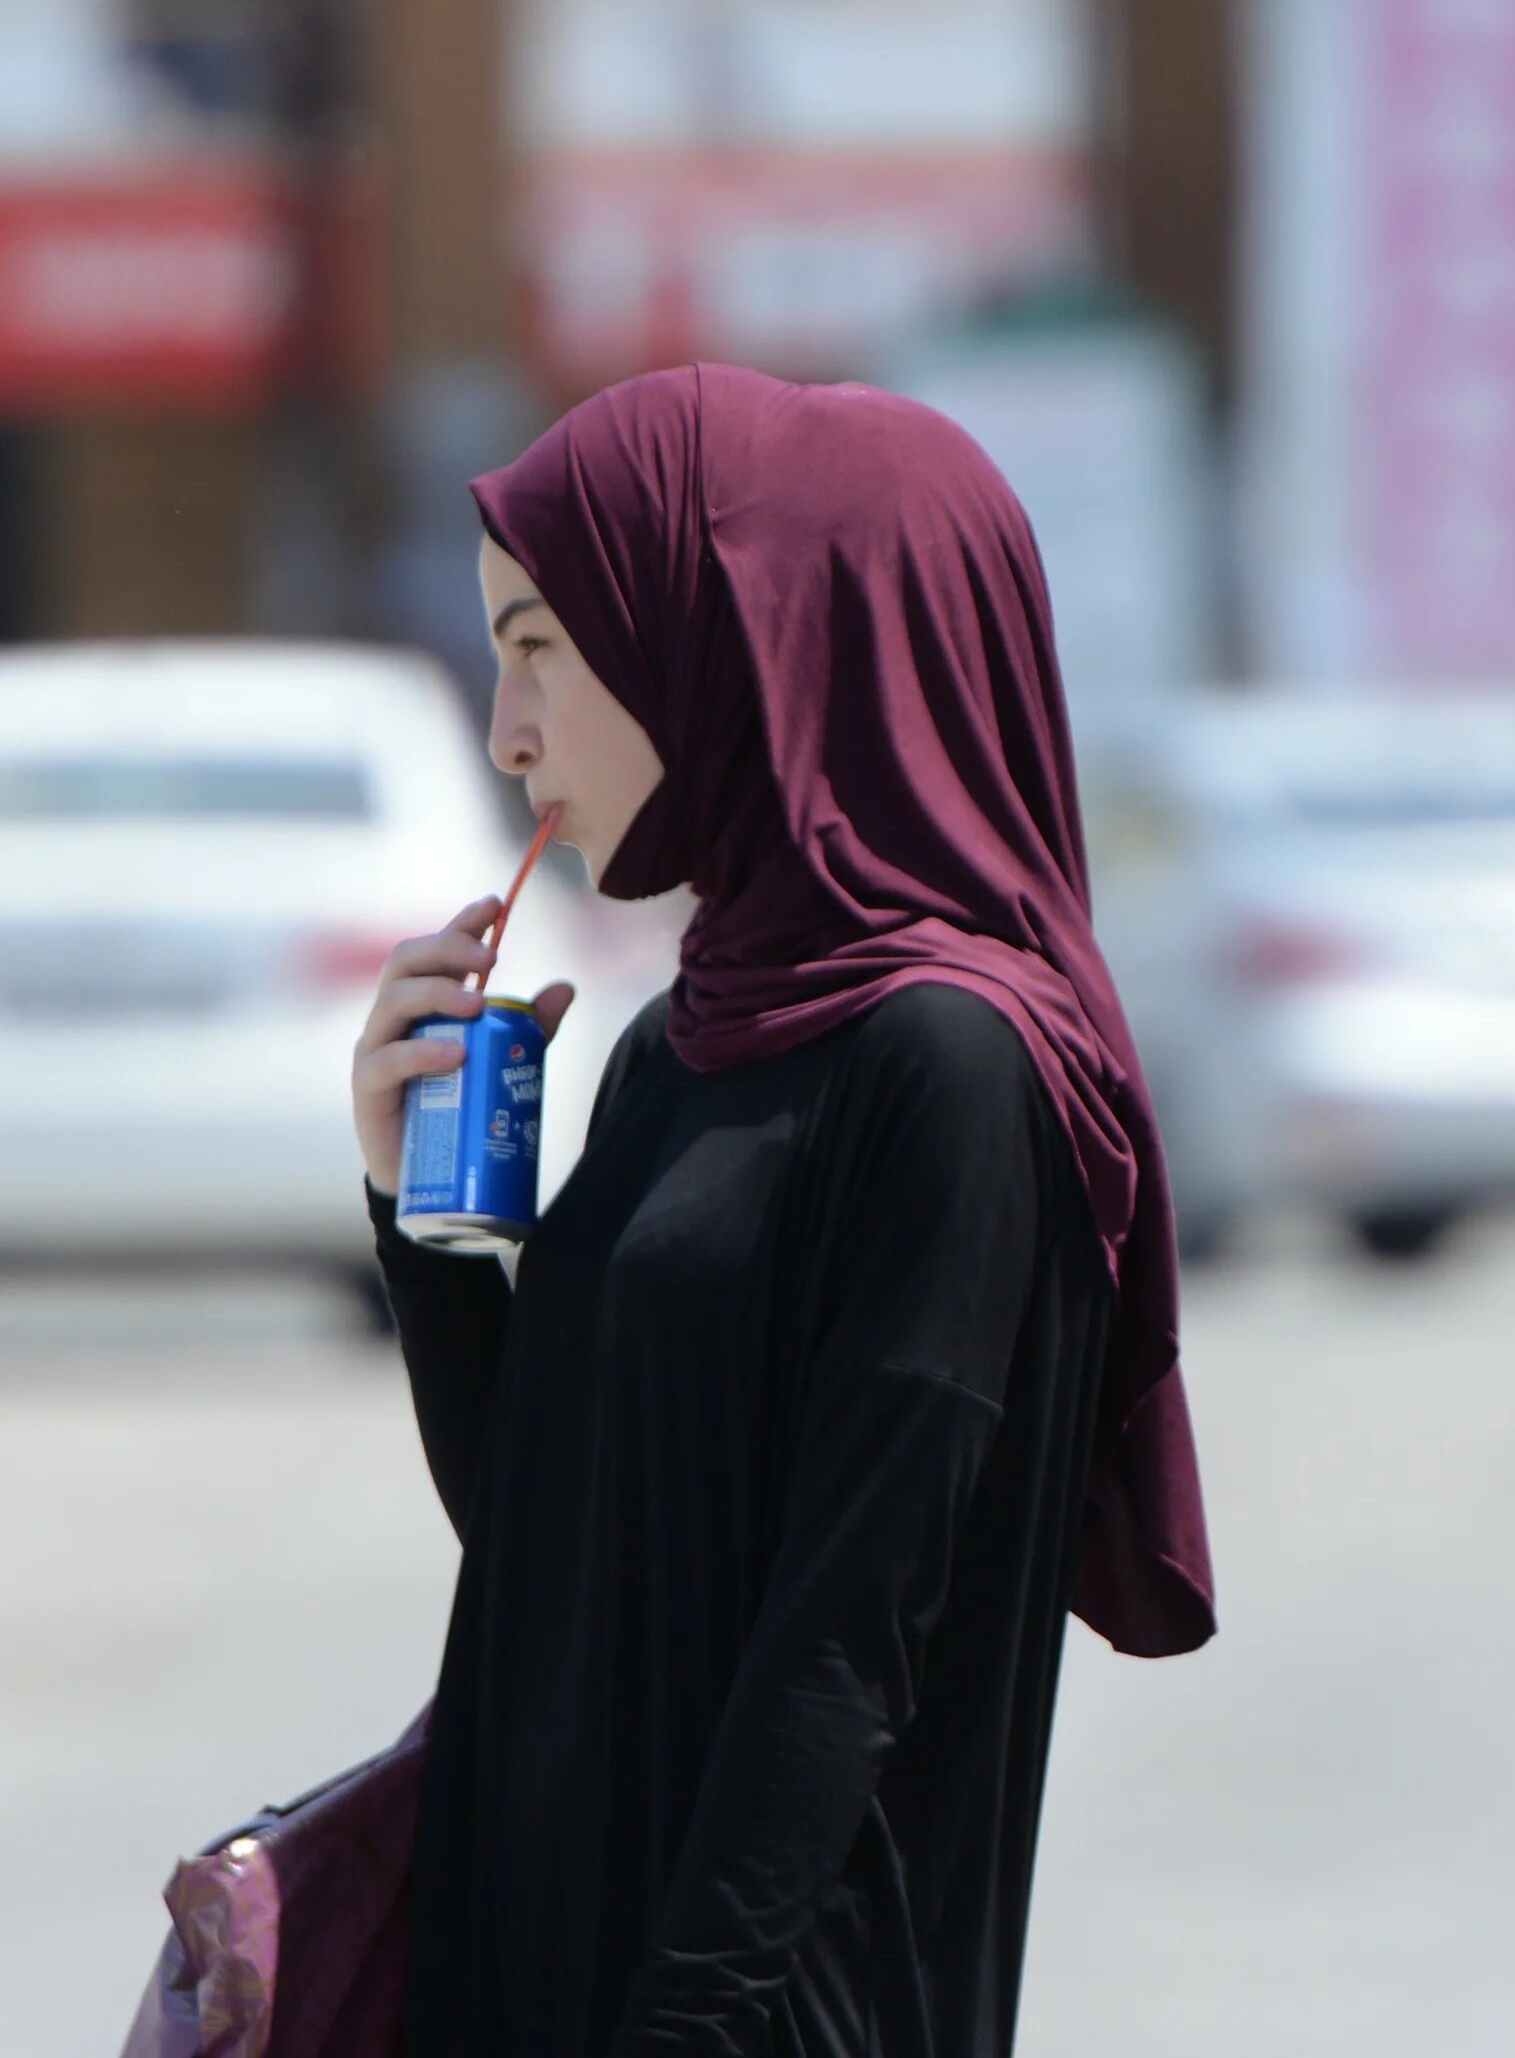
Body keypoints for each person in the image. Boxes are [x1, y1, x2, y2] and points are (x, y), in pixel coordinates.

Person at [345, 363, 1214, 2055]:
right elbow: (559, 1556)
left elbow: (849, 1651)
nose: (508, 729)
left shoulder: (957, 1069)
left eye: (537, 645)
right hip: (552, 1971)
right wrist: (425, 1225)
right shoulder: (683, 1043)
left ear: (734, 625)